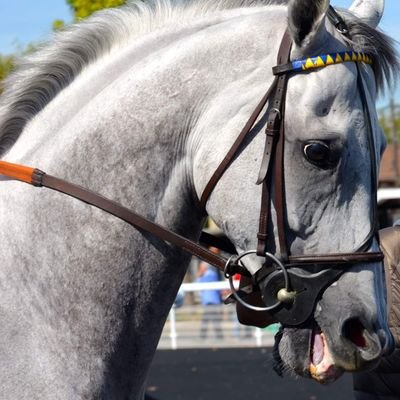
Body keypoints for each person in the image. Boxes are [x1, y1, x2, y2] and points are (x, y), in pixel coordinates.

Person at [196, 250, 224, 339]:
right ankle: (218, 336)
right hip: (208, 296)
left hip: (215, 295)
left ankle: (203, 336)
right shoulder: (205, 264)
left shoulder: (215, 266)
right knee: (212, 316)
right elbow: (199, 278)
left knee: (208, 317)